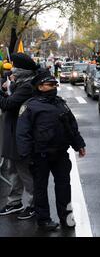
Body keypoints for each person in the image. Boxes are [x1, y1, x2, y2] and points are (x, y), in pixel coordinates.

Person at [16, 69, 86, 231]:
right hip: (39, 156)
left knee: (64, 187)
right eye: (50, 84)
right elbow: (22, 134)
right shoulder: (29, 107)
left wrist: (79, 144)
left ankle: (67, 218)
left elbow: (71, 126)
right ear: (40, 87)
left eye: (55, 84)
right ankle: (44, 220)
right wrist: (27, 156)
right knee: (40, 189)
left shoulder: (60, 103)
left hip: (60, 154)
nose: (54, 86)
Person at [0, 53, 39, 220]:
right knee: (12, 170)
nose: (12, 69)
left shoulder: (27, 87)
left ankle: (34, 204)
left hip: (20, 136)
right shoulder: (19, 84)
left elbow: (8, 104)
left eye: (15, 67)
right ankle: (15, 201)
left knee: (24, 172)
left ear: (22, 70)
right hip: (12, 134)